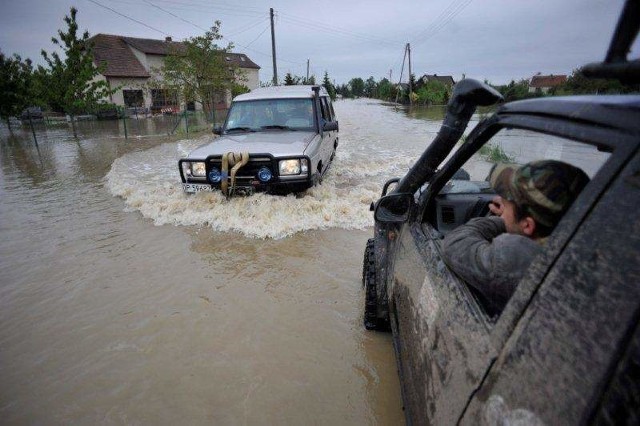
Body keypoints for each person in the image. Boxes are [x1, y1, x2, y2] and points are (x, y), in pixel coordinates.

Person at [442, 159, 590, 313]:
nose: (501, 204)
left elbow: (454, 243)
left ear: (527, 225)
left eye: (506, 205)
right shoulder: (582, 242)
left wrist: (501, 221)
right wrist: (512, 216)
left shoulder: (521, 259)